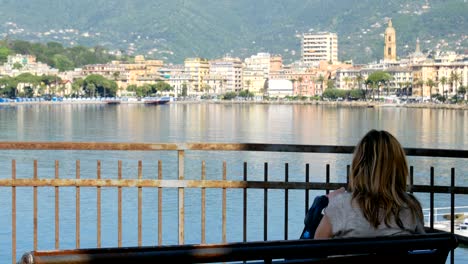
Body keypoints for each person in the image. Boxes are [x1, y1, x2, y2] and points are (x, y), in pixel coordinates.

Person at [313, 129, 425, 239]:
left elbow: (317, 248)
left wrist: (333, 202)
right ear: (399, 168)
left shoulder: (341, 205)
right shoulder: (412, 206)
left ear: (359, 166)